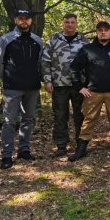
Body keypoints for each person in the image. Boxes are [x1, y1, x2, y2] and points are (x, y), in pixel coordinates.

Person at [68, 21, 110, 162]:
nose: (103, 32)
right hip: (92, 92)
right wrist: (80, 87)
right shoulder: (87, 49)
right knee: (88, 120)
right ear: (96, 32)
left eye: (106, 30)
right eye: (100, 30)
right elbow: (74, 68)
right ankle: (81, 149)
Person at [0, 9, 43, 169]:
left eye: (26, 18)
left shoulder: (37, 41)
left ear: (30, 21)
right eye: (20, 18)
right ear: (15, 20)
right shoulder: (5, 40)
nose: (24, 21)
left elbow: (40, 63)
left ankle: (24, 151)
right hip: (12, 88)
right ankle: (6, 156)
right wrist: (6, 79)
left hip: (32, 88)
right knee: (9, 122)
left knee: (28, 119)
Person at [41, 13, 89, 157]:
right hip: (59, 84)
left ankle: (81, 144)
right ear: (63, 24)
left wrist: (89, 83)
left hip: (79, 85)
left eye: (72, 22)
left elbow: (90, 63)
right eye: (67, 22)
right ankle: (61, 145)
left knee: (80, 115)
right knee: (60, 115)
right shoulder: (54, 40)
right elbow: (45, 61)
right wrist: (47, 80)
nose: (69, 25)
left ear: (76, 24)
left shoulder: (84, 41)